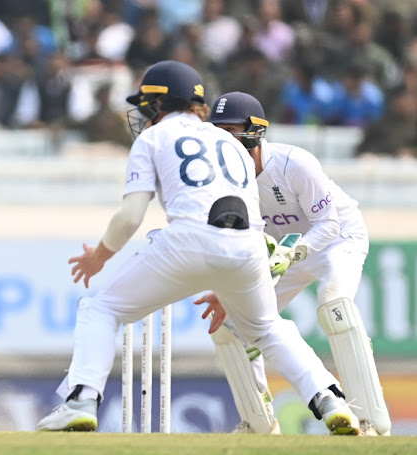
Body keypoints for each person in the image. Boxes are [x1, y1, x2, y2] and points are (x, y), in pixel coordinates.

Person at [35, 61, 360, 435]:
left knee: (100, 309)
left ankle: (80, 401)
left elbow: (130, 217)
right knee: (269, 329)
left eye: (146, 105)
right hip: (247, 244)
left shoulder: (152, 139)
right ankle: (329, 397)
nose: (142, 114)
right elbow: (250, 213)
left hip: (188, 240)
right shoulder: (231, 143)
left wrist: (99, 257)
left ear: (160, 103)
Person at [201, 91, 391, 436]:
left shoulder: (293, 163)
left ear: (255, 132)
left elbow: (329, 224)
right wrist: (228, 291)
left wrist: (295, 252)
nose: (223, 141)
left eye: (231, 131)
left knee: (334, 306)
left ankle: (370, 421)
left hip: (337, 240)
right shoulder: (221, 181)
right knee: (234, 326)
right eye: (217, 132)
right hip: (283, 254)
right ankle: (259, 424)